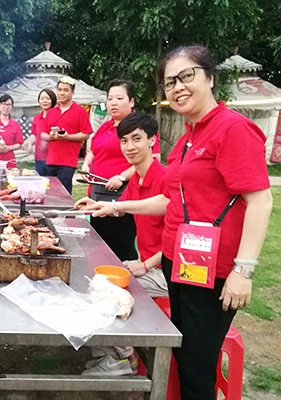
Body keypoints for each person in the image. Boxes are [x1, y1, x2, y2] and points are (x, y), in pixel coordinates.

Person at [79, 46, 273, 400]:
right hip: (180, 264)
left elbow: (260, 200)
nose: (178, 87)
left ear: (210, 77)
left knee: (197, 369)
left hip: (215, 272)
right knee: (184, 359)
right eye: (170, 82)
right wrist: (114, 207)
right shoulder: (186, 139)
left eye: (187, 76)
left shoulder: (232, 129)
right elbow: (168, 201)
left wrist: (243, 271)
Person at [79, 111, 168, 376]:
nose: (129, 147)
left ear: (152, 140)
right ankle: (115, 354)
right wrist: (97, 204)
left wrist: (145, 265)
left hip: (166, 270)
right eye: (124, 141)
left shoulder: (165, 178)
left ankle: (120, 358)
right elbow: (123, 209)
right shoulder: (138, 178)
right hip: (148, 264)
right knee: (91, 280)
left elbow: (178, 237)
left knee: (103, 294)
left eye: (136, 139)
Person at [82, 79, 160, 261]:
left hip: (123, 193)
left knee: (120, 244)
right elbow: (93, 150)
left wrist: (122, 177)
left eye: (119, 98)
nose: (113, 103)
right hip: (97, 191)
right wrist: (86, 165)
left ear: (131, 101)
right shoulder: (105, 126)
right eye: (110, 99)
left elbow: (153, 158)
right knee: (98, 242)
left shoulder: (140, 127)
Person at [42, 76, 93, 194]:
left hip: (67, 161)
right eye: (59, 89)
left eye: (66, 90)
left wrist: (68, 137)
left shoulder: (80, 111)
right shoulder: (51, 112)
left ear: (72, 92)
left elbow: (86, 134)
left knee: (63, 194)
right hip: (50, 160)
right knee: (50, 194)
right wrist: (51, 136)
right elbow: (43, 135)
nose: (62, 93)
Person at [25, 88, 58, 176]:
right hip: (39, 157)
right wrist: (30, 143)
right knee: (40, 181)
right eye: (42, 98)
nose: (45, 101)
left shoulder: (57, 116)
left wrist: (47, 140)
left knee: (53, 182)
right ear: (39, 101)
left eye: (48, 98)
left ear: (53, 100)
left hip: (54, 158)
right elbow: (34, 135)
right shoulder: (37, 118)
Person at [0, 94, 25, 169]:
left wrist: (8, 148)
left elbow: (19, 144)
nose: (6, 107)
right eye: (4, 104)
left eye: (9, 105)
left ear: (12, 107)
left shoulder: (15, 125)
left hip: (9, 160)